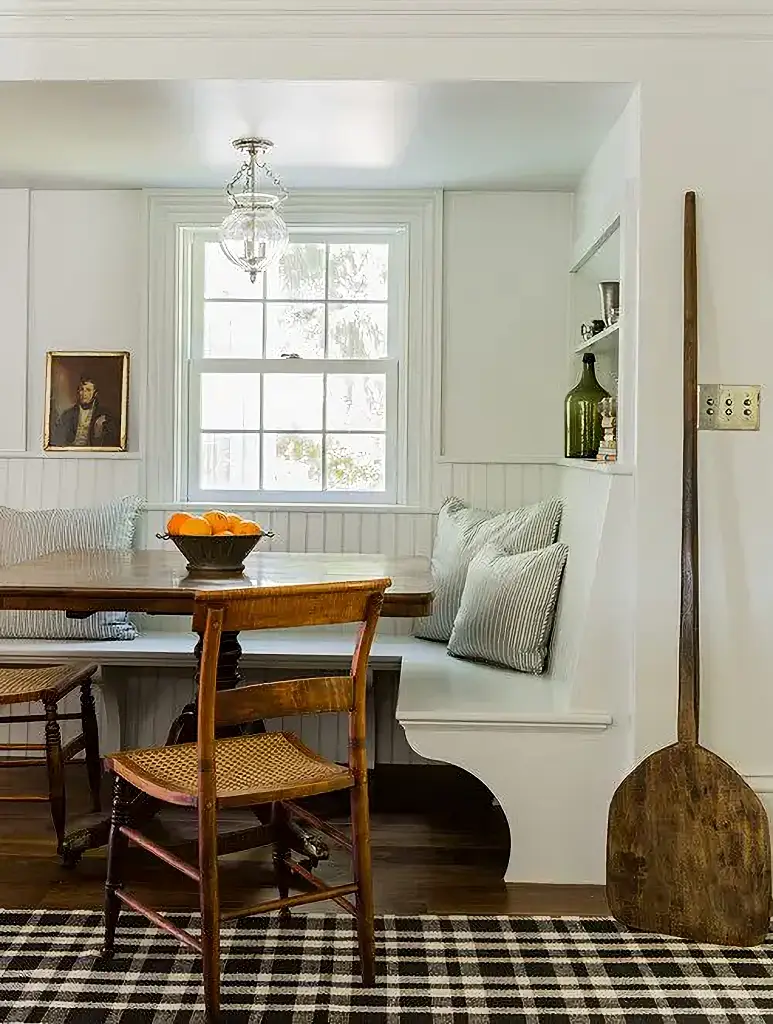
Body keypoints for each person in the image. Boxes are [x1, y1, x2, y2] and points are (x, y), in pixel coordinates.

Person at [50, 376, 119, 448]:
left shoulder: (104, 414)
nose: (84, 393)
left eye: (88, 390)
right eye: (81, 389)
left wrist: (98, 433)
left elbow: (112, 442)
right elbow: (57, 438)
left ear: (95, 393)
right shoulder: (68, 414)